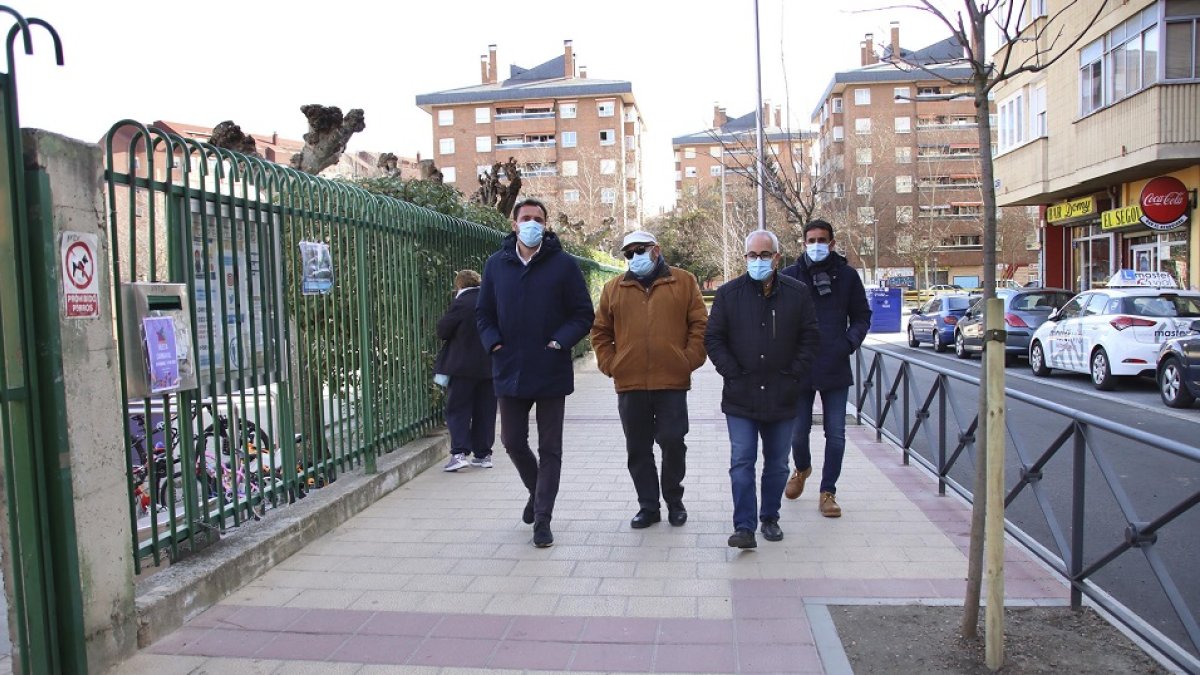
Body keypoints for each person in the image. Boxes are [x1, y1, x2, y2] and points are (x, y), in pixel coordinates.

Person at [476, 198, 595, 548]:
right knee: (512, 441)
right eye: (525, 218)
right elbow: (483, 314)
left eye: (538, 219)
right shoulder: (496, 265)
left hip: (549, 369)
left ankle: (543, 518)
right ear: (514, 224)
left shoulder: (564, 265)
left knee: (550, 447)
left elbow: (582, 314)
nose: (532, 223)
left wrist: (560, 342)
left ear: (546, 224)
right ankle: (536, 490)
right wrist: (493, 343)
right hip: (509, 368)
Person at [704, 230, 820, 548]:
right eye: (752, 256)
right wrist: (731, 372)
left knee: (778, 463)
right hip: (741, 395)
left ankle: (770, 517)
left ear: (777, 257)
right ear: (744, 259)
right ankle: (744, 526)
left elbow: (810, 337)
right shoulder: (729, 295)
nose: (758, 261)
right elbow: (713, 338)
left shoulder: (797, 294)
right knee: (742, 461)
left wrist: (794, 374)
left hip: (783, 395)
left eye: (764, 255)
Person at [591, 230, 708, 530]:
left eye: (639, 250)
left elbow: (700, 324)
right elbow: (600, 332)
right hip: (630, 383)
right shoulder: (613, 288)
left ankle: (674, 501)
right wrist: (611, 364)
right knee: (638, 448)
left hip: (671, 381)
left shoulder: (683, 281)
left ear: (656, 250)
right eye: (628, 253)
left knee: (672, 442)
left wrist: (688, 360)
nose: (633, 257)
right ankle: (648, 506)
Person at [780, 219, 872, 518]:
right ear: (803, 243)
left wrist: (847, 343)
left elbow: (862, 316)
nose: (816, 245)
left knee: (836, 433)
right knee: (797, 432)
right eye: (811, 240)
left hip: (835, 365)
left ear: (832, 243)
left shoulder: (847, 276)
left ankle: (828, 491)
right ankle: (802, 468)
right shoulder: (789, 277)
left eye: (822, 240)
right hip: (800, 367)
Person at [435, 269, 497, 472]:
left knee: (459, 409)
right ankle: (483, 454)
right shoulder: (492, 300)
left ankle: (459, 453)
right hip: (489, 366)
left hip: (462, 368)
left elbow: (443, 330)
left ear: (459, 285)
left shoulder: (461, 302)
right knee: (485, 410)